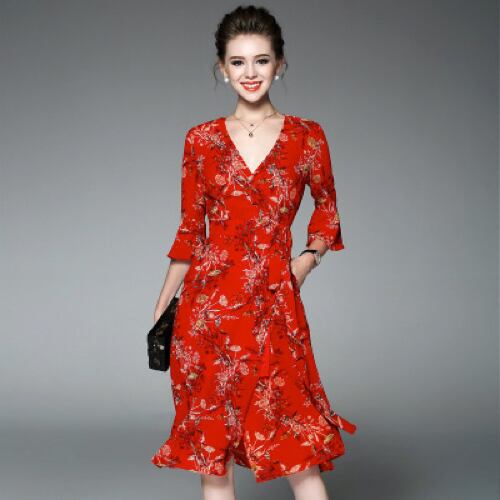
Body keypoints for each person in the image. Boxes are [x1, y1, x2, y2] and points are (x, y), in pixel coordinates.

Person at [150, 5, 357, 500]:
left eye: (261, 60)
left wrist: (304, 262)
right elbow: (189, 232)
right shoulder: (200, 141)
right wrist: (161, 311)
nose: (250, 72)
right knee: (214, 460)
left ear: (279, 64)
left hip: (274, 310)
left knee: (298, 450)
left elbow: (327, 211)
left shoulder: (307, 137)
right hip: (206, 314)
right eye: (237, 62)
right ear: (222, 69)